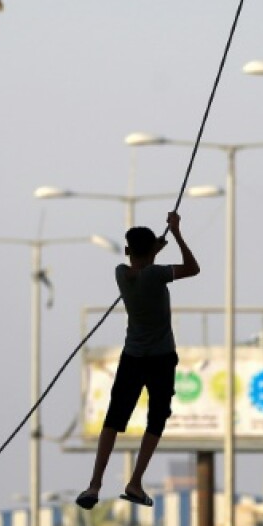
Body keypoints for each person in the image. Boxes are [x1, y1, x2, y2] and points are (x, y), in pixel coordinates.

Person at [77, 211, 200, 510]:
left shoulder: (121, 273)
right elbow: (192, 268)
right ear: (150, 253)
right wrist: (178, 232)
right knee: (156, 419)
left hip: (132, 357)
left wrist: (157, 245)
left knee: (114, 418)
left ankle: (94, 484)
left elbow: (142, 264)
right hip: (160, 359)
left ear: (128, 251)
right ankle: (135, 482)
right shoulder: (156, 276)